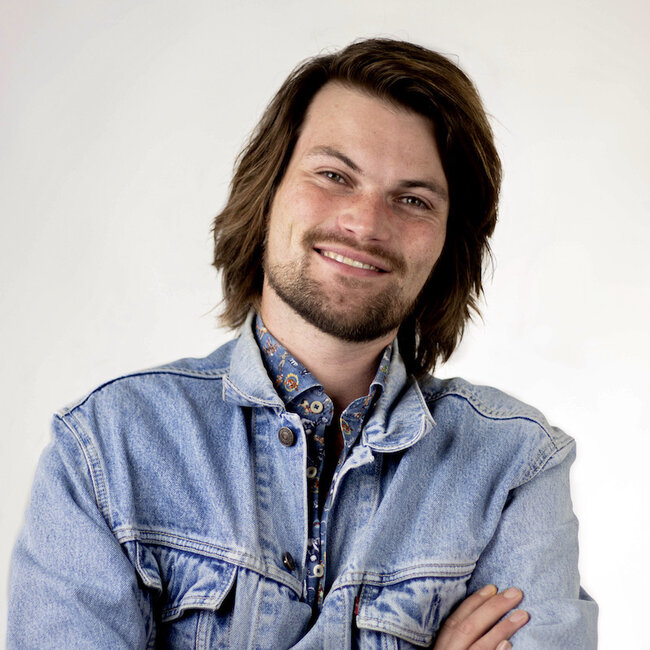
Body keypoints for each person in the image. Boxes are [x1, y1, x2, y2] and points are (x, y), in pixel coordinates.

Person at [8, 38, 597, 648]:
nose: (365, 223)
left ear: (449, 243)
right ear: (267, 192)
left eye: (413, 200)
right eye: (334, 175)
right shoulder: (107, 449)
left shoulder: (513, 466)